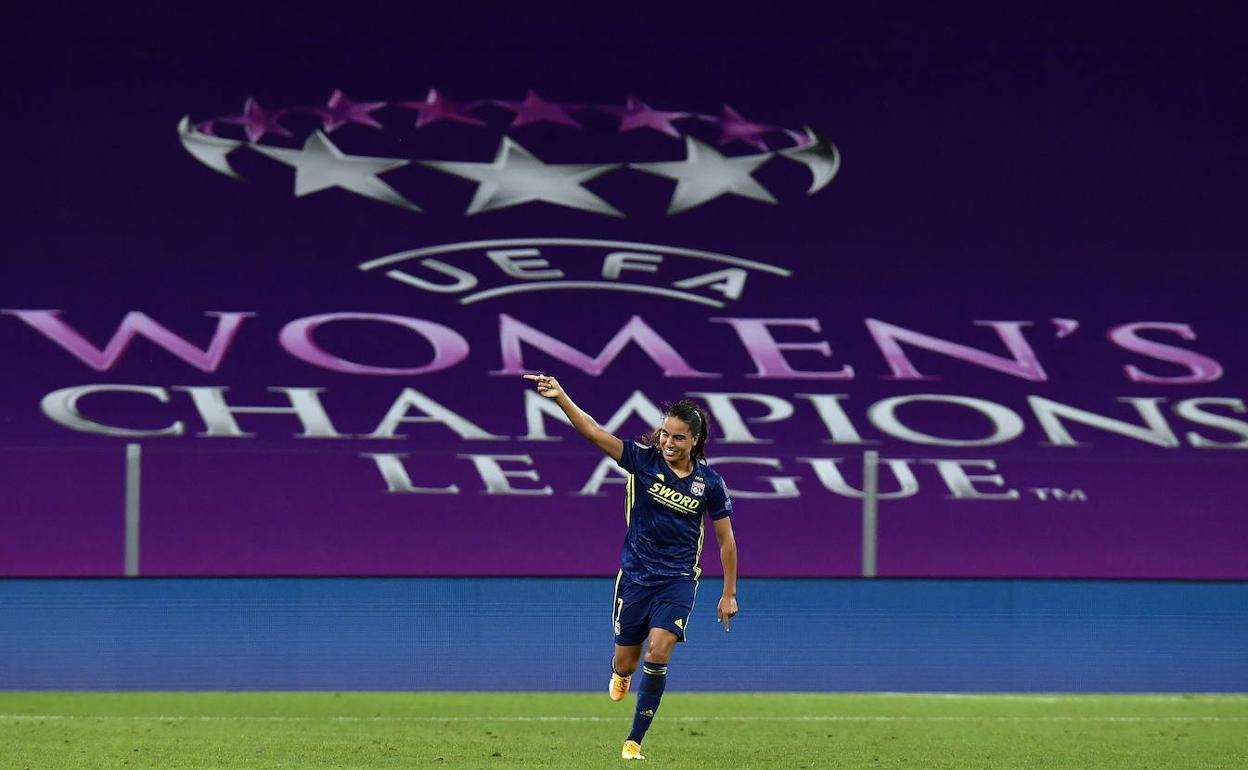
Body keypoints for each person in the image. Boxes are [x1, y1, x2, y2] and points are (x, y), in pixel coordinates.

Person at [523, 373, 738, 761]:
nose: (669, 443)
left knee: (659, 650)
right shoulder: (641, 460)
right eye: (665, 434)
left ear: (694, 441)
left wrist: (728, 592)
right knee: (628, 659)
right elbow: (592, 431)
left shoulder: (710, 484)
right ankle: (621, 673)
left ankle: (633, 741)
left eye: (678, 437)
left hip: (677, 581)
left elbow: (726, 541)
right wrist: (560, 397)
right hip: (636, 578)